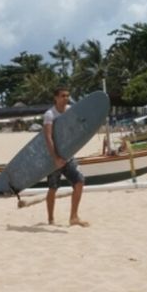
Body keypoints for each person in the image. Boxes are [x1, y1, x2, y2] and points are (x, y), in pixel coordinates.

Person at [44, 86, 89, 227]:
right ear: (56, 98)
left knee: (79, 181)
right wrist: (55, 158)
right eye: (63, 96)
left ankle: (74, 217)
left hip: (68, 155)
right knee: (53, 188)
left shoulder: (70, 110)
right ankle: (51, 219)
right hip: (53, 158)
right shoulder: (50, 114)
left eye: (67, 95)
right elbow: (48, 137)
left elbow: (75, 129)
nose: (66, 98)